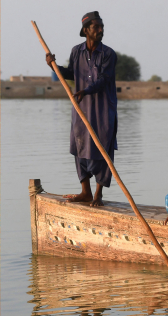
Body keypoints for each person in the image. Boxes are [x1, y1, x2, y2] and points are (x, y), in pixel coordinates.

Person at [46, 11, 117, 207]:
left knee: (103, 147)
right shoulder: (77, 51)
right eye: (96, 27)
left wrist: (86, 90)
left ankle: (98, 195)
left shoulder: (108, 54)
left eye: (102, 27)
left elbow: (104, 79)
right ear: (86, 30)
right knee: (79, 146)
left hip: (103, 109)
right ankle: (85, 191)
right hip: (82, 107)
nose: (101, 30)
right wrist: (54, 66)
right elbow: (71, 73)